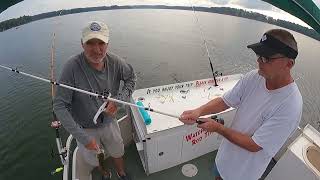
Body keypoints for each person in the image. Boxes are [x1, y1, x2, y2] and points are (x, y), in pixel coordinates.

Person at [179, 29, 302, 180]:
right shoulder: (254, 77)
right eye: (258, 55)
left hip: (242, 173)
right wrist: (198, 111)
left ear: (289, 64)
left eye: (266, 58)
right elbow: (225, 101)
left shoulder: (291, 105)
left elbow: (254, 145)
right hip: (223, 158)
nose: (258, 61)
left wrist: (217, 128)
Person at [53, 21, 136, 180]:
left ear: (108, 44)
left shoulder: (116, 62)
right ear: (82, 44)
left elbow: (131, 78)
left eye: (101, 43)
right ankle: (105, 174)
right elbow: (59, 105)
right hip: (85, 128)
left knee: (117, 150)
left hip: (110, 122)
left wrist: (118, 101)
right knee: (95, 157)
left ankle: (121, 173)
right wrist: (82, 137)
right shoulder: (71, 67)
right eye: (90, 43)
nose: (97, 50)